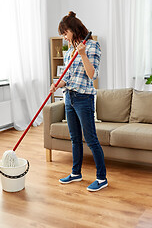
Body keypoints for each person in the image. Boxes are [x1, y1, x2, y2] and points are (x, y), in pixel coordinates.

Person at [50, 11, 107, 192]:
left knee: (91, 139)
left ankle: (101, 178)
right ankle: (76, 173)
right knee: (74, 139)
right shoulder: (69, 51)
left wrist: (82, 55)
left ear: (74, 30)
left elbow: (92, 75)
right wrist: (58, 84)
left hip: (84, 99)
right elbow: (68, 77)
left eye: (65, 33)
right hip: (70, 97)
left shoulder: (92, 46)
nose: (64, 38)